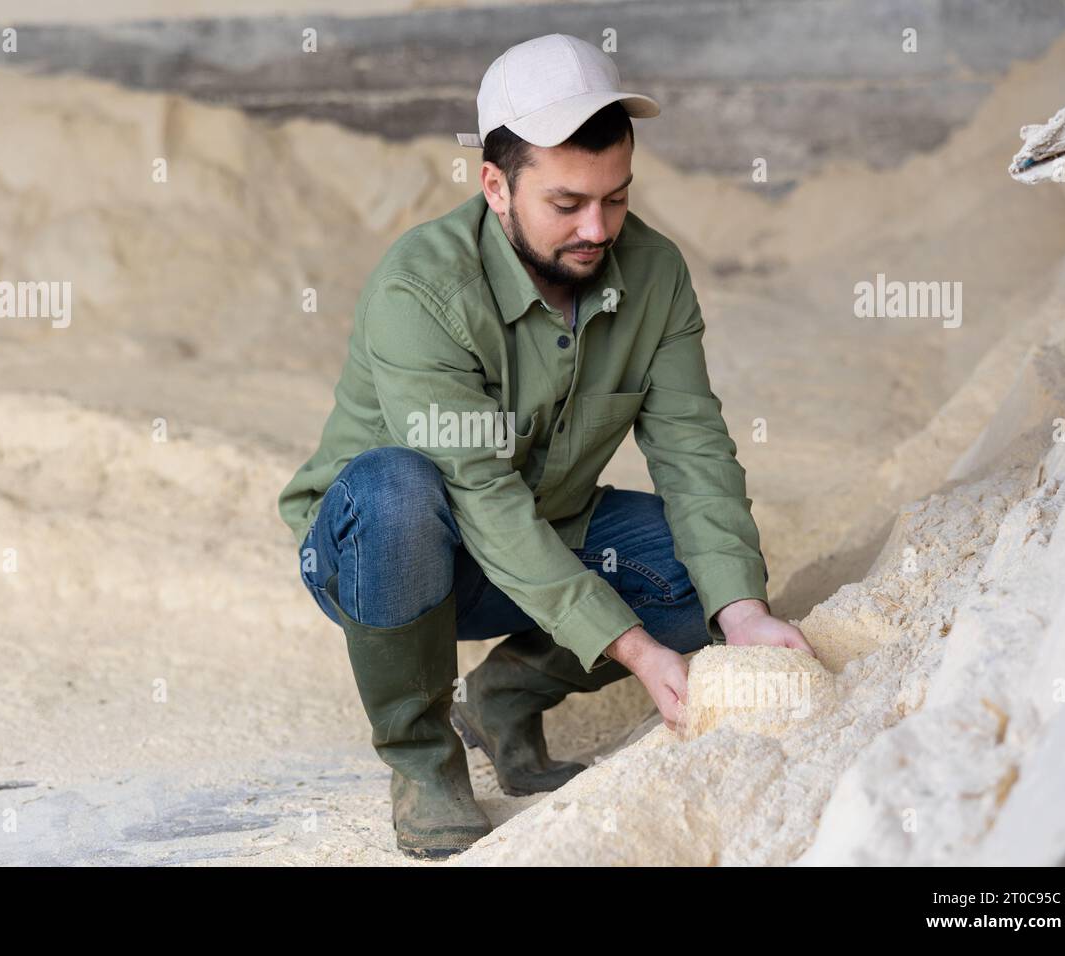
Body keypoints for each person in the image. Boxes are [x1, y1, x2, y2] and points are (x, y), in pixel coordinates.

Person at [276, 33, 814, 860]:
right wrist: (632, 650)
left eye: (617, 198)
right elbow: (478, 492)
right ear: (494, 186)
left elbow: (694, 447)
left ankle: (503, 696)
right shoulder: (419, 288)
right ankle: (422, 759)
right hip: (383, 551)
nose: (596, 229)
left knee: (700, 573)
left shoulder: (655, 273)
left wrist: (741, 614)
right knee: (396, 487)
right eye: (566, 204)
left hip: (541, 531)